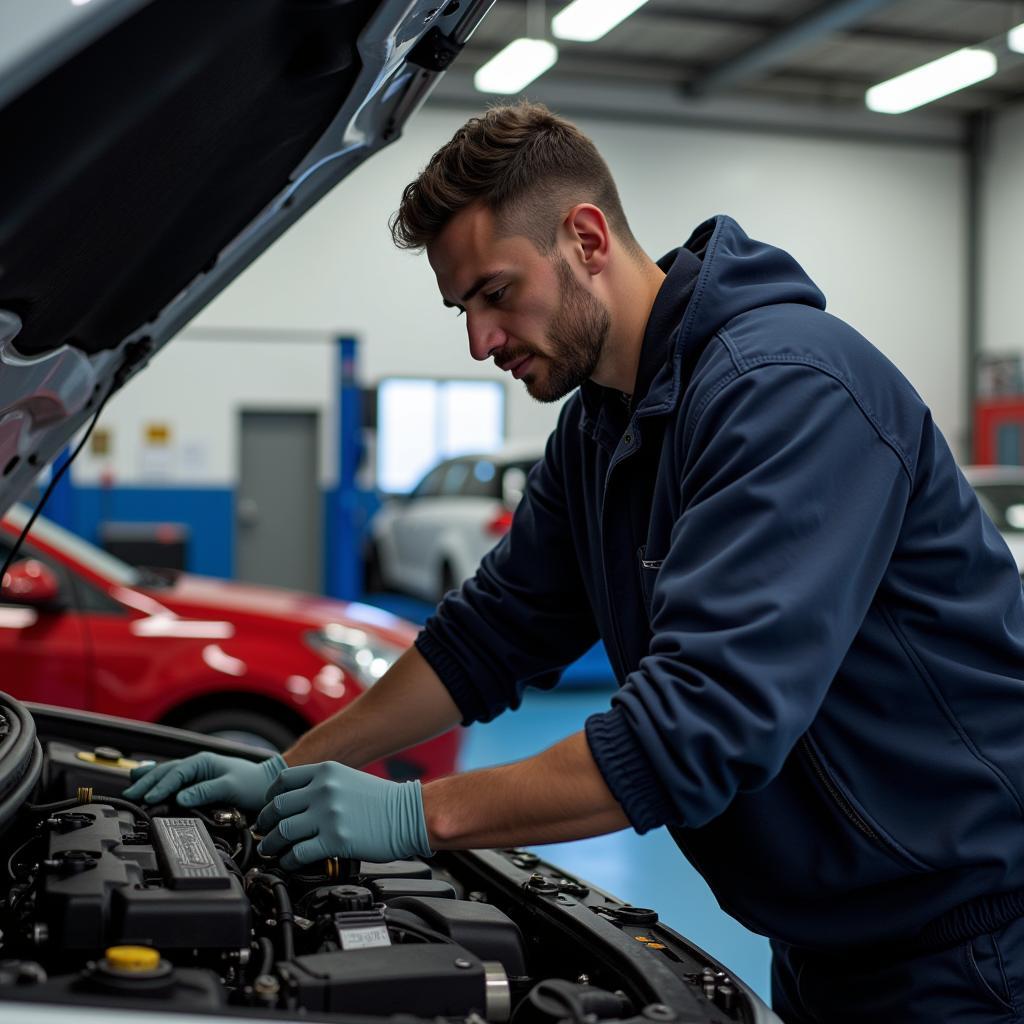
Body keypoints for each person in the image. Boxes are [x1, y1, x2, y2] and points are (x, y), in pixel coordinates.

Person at [125, 102, 1024, 1023]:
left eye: (496, 292)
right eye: (462, 307)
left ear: (586, 238)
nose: (479, 341)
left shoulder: (786, 392)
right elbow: (489, 636)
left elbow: (697, 729)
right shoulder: (601, 426)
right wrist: (294, 772)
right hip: (831, 936)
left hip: (972, 941)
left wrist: (414, 817)